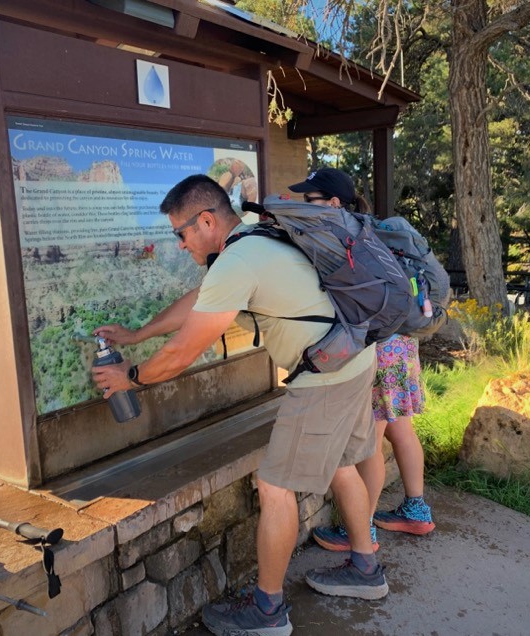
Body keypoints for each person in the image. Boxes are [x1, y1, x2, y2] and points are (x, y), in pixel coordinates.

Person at [92, 174, 388, 636]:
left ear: (206, 220)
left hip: (324, 380)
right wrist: (138, 334)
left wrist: (130, 377)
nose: (179, 244)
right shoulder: (255, 234)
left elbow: (182, 353)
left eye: (180, 233)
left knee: (273, 488)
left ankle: (268, 612)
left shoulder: (239, 258)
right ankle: (367, 569)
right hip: (354, 356)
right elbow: (199, 301)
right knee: (344, 464)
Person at [285, 168, 435, 554]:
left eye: (311, 200)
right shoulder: (369, 231)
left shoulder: (341, 236)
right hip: (401, 341)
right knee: (400, 428)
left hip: (378, 344)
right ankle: (416, 510)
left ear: (333, 203)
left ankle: (362, 531)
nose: (306, 206)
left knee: (370, 442)